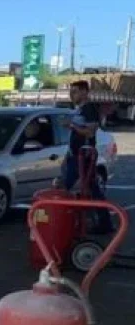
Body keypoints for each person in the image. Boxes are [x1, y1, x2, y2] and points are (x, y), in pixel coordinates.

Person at [53, 80, 111, 232]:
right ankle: (104, 222)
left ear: (85, 92)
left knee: (64, 185)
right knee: (92, 188)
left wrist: (71, 125)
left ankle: (58, 219)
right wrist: (68, 154)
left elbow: (90, 132)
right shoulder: (78, 110)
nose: (72, 95)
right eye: (71, 91)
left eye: (76, 91)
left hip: (84, 156)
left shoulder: (89, 109)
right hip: (75, 155)